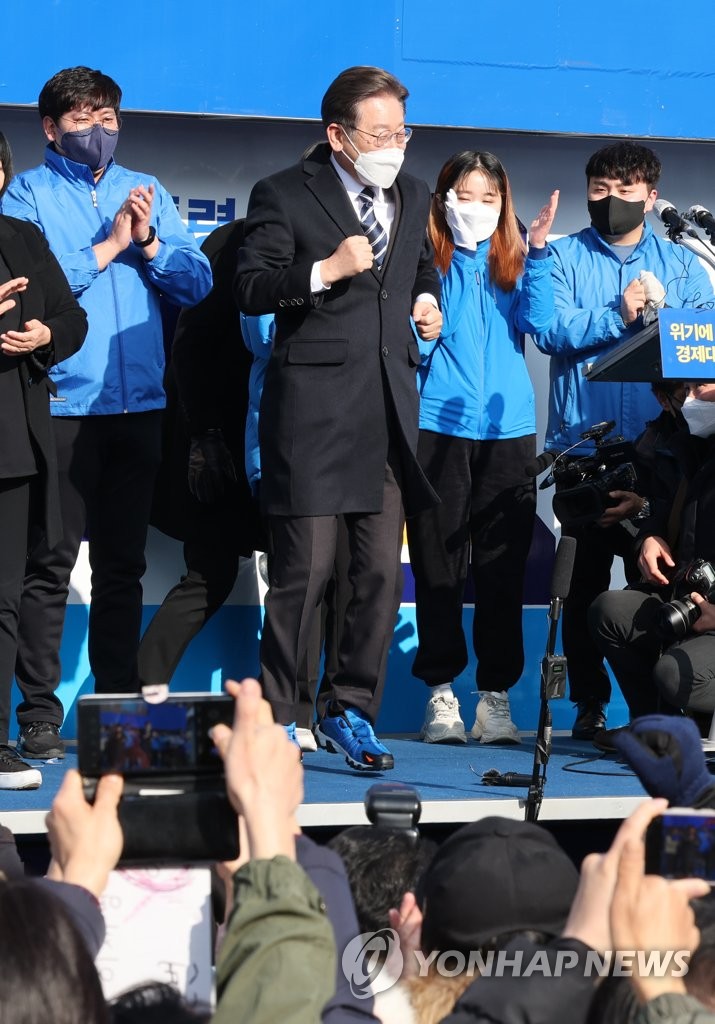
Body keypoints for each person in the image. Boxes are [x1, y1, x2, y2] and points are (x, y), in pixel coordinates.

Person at [1, 66, 212, 760]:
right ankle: (37, 713)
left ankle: (117, 706)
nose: (101, 131)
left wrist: (148, 241)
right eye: (86, 119)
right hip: (60, 404)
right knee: (49, 564)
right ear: (52, 127)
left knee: (123, 565)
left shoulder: (142, 190)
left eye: (111, 117)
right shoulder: (28, 194)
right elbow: (42, 288)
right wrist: (110, 245)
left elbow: (197, 279)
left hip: (139, 404)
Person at [235, 65, 442, 771]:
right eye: (378, 133)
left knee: (378, 577)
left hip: (386, 415)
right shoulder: (283, 193)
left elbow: (416, 268)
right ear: (337, 135)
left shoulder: (413, 194)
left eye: (401, 132)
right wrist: (324, 270)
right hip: (313, 418)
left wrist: (424, 300)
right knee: (305, 577)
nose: (394, 145)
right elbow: (251, 286)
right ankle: (277, 719)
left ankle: (350, 711)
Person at [532, 141, 715, 741]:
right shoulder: (561, 257)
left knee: (653, 580)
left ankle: (657, 714)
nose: (610, 200)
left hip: (664, 449)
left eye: (625, 191)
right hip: (587, 452)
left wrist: (666, 321)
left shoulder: (684, 263)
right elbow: (549, 329)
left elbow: (702, 333)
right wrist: (619, 312)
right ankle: (587, 705)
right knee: (585, 586)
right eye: (599, 189)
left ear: (651, 196)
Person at [405, 150, 558, 745]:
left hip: (509, 430)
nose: (476, 208)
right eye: (464, 196)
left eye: (489, 198)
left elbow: (541, 326)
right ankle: (439, 694)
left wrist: (540, 252)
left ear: (504, 204)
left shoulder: (516, 258)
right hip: (438, 425)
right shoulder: (425, 257)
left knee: (501, 566)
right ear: (444, 198)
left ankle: (494, 698)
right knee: (438, 562)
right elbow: (407, 333)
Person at [137, 219, 260, 692]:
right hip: (220, 438)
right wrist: (204, 437)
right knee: (212, 571)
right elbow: (190, 347)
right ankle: (138, 694)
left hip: (290, 436)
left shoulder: (340, 244)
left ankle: (306, 713)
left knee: (314, 578)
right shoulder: (234, 240)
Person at [0, 130, 88, 789]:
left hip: (15, 446)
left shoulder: (21, 238)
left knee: (7, 597)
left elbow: (69, 315)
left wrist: (46, 333)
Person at [589, 382, 715, 735]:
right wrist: (650, 536)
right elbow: (667, 510)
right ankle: (656, 728)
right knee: (610, 610)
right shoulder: (690, 446)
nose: (692, 399)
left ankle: (699, 727)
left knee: (675, 674)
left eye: (701, 386)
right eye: (684, 390)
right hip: (689, 597)